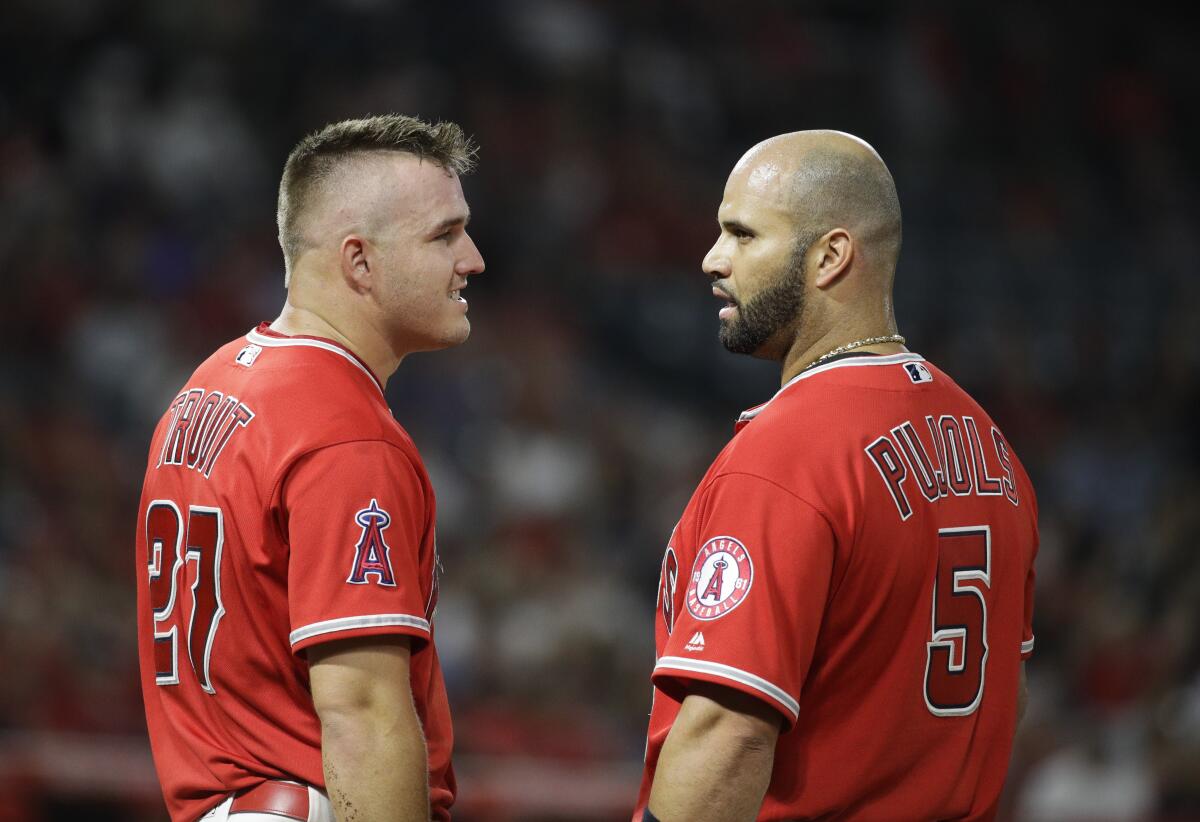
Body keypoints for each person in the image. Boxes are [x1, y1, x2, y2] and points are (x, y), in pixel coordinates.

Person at [634, 130, 1038, 821]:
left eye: (742, 234)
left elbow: (727, 736)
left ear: (830, 256)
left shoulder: (788, 452)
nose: (712, 258)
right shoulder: (992, 449)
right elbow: (1010, 694)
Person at [134, 114, 485, 822]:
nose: (472, 258)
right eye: (444, 235)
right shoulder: (347, 434)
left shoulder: (211, 381)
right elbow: (360, 712)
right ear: (359, 261)